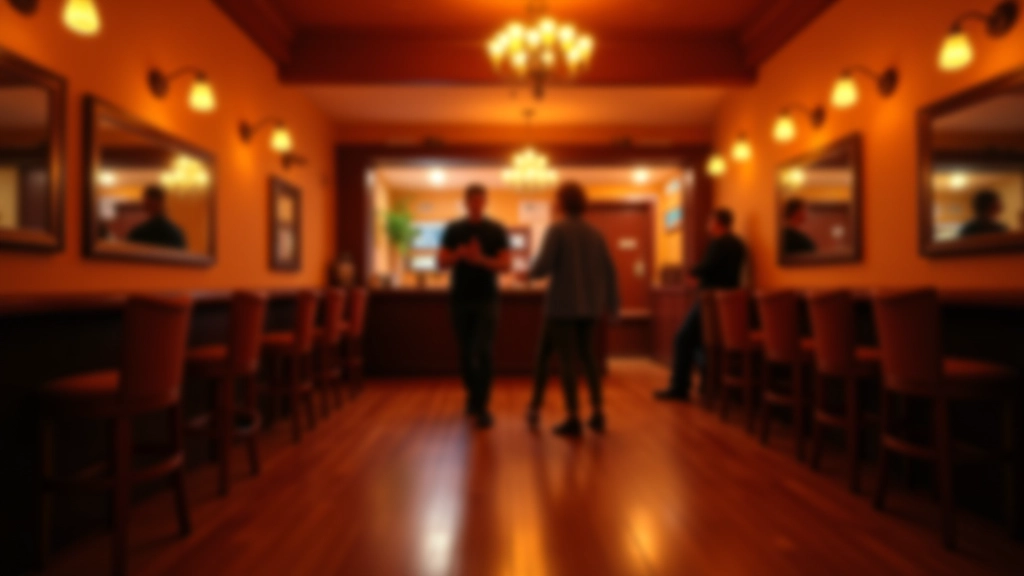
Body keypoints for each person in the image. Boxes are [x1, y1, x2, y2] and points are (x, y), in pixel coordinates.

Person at [525, 182, 619, 436]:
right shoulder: (596, 233)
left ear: (563, 202)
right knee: (587, 358)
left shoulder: (557, 230)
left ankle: (572, 417)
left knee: (552, 358)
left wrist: (526, 274)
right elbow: (610, 271)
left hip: (561, 307)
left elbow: (542, 266)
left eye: (556, 198)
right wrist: (612, 306)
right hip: (590, 308)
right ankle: (597, 413)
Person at [437, 184, 510, 429]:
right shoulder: (453, 229)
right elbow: (440, 261)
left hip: (487, 299)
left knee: (483, 351)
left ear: (485, 202)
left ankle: (482, 407)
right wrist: (459, 255)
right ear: (466, 202)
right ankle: (473, 397)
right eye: (473, 200)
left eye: (481, 200)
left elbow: (505, 264)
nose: (477, 204)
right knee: (466, 353)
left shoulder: (496, 229)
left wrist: (480, 259)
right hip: (460, 298)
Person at [655, 208, 746, 401]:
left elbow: (705, 267)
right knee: (703, 343)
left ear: (717, 222)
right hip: (731, 304)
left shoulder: (718, 244)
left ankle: (680, 387)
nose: (707, 226)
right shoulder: (739, 245)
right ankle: (707, 384)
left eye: (709, 221)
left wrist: (693, 273)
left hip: (709, 301)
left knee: (683, 338)